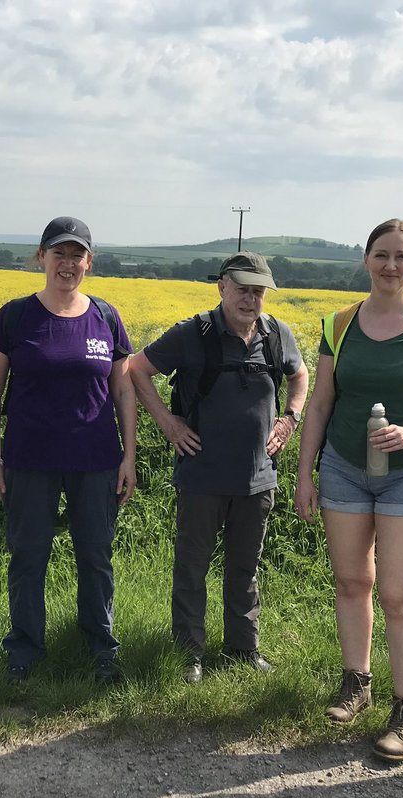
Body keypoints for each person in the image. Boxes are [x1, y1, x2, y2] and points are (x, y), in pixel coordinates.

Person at [295, 219, 403, 762]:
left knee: (398, 595)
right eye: (381, 255)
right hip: (345, 467)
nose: (390, 265)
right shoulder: (339, 324)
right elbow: (319, 403)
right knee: (351, 581)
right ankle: (357, 682)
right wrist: (306, 472)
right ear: (366, 260)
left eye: (401, 256)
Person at [127, 253, 309, 682]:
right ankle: (189, 652)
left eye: (258, 290)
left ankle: (243, 649)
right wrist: (168, 424)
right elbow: (137, 368)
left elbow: (300, 377)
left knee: (246, 566)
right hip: (202, 475)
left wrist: (290, 418)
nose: (250, 298)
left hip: (257, 476)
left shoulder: (277, 334)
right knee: (192, 565)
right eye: (242, 288)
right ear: (222, 287)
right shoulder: (194, 333)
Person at [0, 216, 137, 685]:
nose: (68, 263)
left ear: (89, 261)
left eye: (77, 255)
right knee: (28, 556)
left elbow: (124, 391)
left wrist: (129, 455)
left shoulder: (105, 316)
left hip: (96, 460)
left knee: (96, 555)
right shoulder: (15, 316)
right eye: (59, 253)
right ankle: (24, 650)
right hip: (30, 460)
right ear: (41, 257)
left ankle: (101, 648)